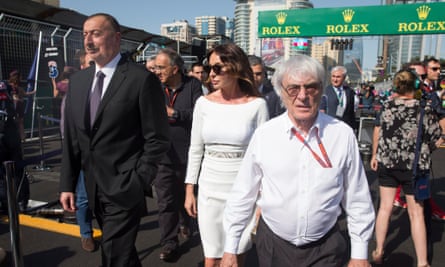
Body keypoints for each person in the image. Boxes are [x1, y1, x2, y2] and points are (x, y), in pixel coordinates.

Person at [220, 55, 375, 267]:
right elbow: (243, 193)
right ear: (281, 93)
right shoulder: (265, 135)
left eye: (310, 87)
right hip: (274, 245)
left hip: (325, 247)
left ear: (321, 89)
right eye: (293, 88)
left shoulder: (342, 135)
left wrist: (359, 253)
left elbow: (357, 197)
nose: (302, 96)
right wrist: (231, 247)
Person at [59, 13, 170, 267]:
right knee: (123, 254)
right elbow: (74, 139)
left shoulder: (140, 79)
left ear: (117, 38)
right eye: (85, 34)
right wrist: (67, 183)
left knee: (113, 255)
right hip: (92, 187)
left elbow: (158, 137)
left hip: (125, 186)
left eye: (96, 33)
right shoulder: (78, 82)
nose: (88, 40)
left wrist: (138, 178)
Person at [184, 43, 269, 267]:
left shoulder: (258, 105)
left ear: (236, 67)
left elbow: (264, 156)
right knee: (211, 257)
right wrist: (189, 189)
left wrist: (262, 200)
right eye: (210, 68)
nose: (211, 74)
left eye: (218, 68)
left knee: (236, 255)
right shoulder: (203, 104)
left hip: (243, 190)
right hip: (209, 187)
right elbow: (195, 149)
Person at [370, 69, 441, 267]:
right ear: (416, 86)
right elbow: (436, 137)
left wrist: (375, 154)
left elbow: (380, 131)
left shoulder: (386, 106)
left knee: (384, 208)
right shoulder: (423, 108)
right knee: (416, 213)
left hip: (388, 163)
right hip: (414, 167)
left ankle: (379, 249)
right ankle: (422, 261)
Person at [152, 48, 202, 261]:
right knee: (165, 201)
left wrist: (176, 114)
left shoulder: (193, 86)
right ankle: (170, 243)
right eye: (155, 67)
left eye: (161, 68)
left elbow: (201, 114)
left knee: (185, 196)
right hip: (163, 156)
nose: (157, 72)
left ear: (175, 69)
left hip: (189, 156)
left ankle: (186, 221)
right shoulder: (154, 88)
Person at [320, 65, 357, 131]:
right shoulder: (325, 92)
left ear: (344, 78)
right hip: (329, 128)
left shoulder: (349, 92)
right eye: (333, 76)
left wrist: (353, 128)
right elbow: (321, 111)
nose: (335, 79)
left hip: (345, 128)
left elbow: (351, 112)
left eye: (338, 77)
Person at [7, 70, 35, 141]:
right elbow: (13, 95)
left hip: (19, 104)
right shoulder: (10, 86)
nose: (21, 78)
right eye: (20, 76)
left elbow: (24, 94)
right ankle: (19, 136)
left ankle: (22, 136)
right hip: (15, 104)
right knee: (16, 121)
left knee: (20, 121)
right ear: (17, 77)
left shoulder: (18, 86)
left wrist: (33, 92)